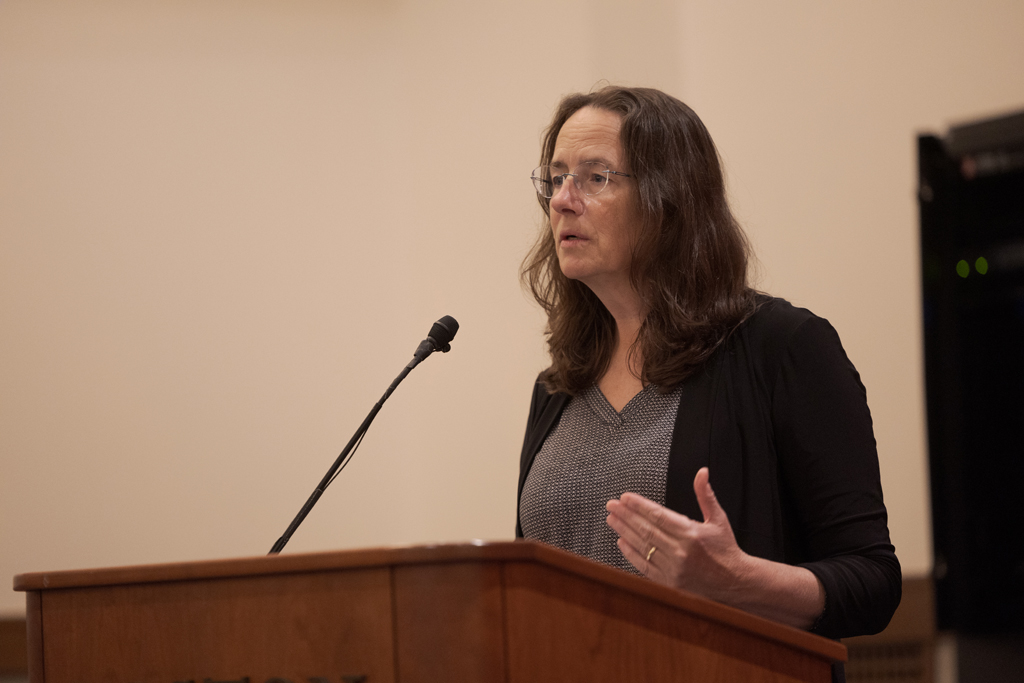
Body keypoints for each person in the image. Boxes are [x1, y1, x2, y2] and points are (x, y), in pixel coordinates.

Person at [516, 86, 901, 648]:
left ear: (670, 199)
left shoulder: (783, 348)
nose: (562, 201)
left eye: (595, 177)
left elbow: (873, 583)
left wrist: (739, 581)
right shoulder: (557, 388)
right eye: (555, 179)